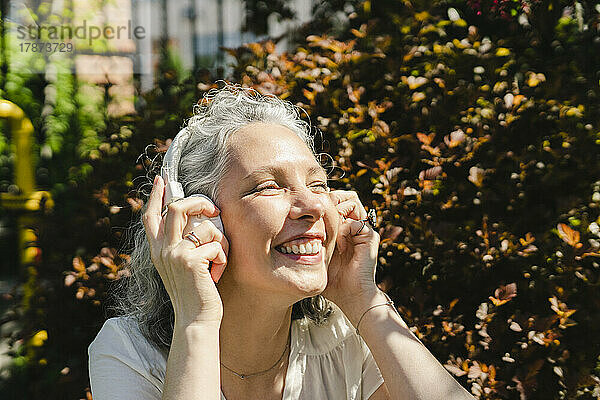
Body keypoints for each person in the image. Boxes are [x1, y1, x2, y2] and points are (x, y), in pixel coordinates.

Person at [88, 83, 474, 400]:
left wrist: (365, 301)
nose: (311, 207)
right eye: (268, 186)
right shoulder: (129, 352)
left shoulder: (341, 338)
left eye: (318, 184)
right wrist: (197, 322)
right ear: (197, 218)